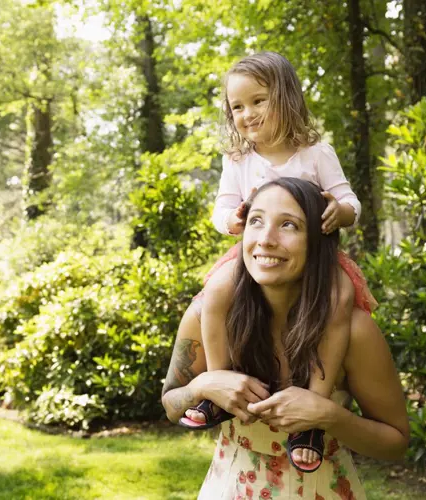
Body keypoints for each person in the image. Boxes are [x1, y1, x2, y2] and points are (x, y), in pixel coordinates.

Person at [179, 51, 377, 472]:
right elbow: (222, 208)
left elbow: (349, 200)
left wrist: (341, 212)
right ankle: (219, 388)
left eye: (258, 101)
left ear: (285, 98)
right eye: (237, 106)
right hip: (252, 256)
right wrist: (230, 220)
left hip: (316, 259)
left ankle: (313, 412)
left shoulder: (316, 153)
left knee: (340, 297)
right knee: (215, 292)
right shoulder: (237, 161)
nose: (247, 113)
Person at [162, 178, 409, 499]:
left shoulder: (353, 331)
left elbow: (396, 444)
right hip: (229, 488)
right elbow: (171, 404)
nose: (266, 239)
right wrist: (204, 386)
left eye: (289, 225)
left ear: (319, 240)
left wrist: (330, 417)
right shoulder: (207, 313)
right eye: (256, 221)